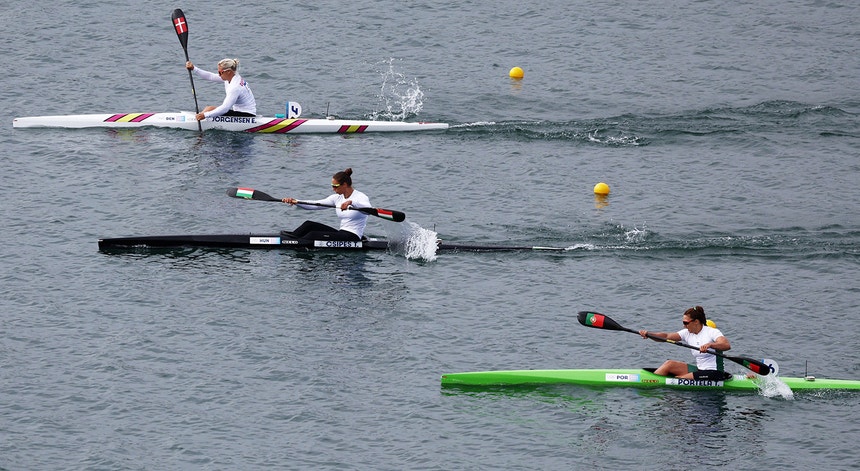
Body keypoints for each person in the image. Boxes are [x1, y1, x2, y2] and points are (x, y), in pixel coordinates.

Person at [639, 306, 732, 381]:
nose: (684, 325)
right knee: (669, 364)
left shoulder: (711, 332)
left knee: (679, 380)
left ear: (696, 322)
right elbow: (666, 336)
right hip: (700, 370)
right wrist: (649, 334)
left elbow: (726, 345)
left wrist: (710, 345)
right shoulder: (687, 333)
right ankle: (651, 381)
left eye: (686, 322)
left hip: (715, 373)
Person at [281, 168, 371, 241]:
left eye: (335, 186)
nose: (333, 189)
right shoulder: (337, 198)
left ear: (344, 184)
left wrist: (351, 202)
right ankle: (289, 239)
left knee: (313, 235)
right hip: (342, 233)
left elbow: (368, 210)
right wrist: (296, 201)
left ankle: (293, 243)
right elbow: (316, 205)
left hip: (353, 236)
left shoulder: (361, 197)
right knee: (309, 225)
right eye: (332, 186)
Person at [185, 58, 257, 120]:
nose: (219, 75)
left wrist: (205, 115)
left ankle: (197, 119)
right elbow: (210, 76)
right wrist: (194, 68)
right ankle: (198, 117)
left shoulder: (235, 87)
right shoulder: (232, 77)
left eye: (220, 72)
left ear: (228, 72)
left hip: (247, 116)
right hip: (242, 112)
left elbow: (225, 108)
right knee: (209, 109)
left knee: (209, 109)